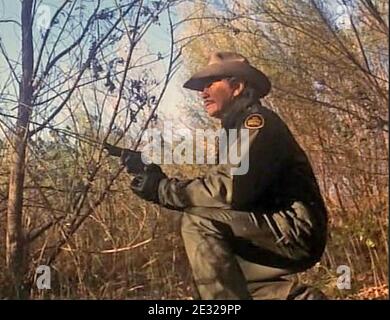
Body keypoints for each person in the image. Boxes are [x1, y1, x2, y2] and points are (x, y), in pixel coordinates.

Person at [124, 52, 328, 300]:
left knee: (199, 224)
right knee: (212, 271)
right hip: (275, 227)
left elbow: (227, 189)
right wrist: (155, 175)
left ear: (238, 87)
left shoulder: (257, 123)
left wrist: (161, 189)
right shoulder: (236, 132)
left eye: (211, 84)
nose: (203, 93)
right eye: (202, 87)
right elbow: (222, 193)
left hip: (295, 229)